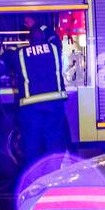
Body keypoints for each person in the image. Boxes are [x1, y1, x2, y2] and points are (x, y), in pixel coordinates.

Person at [14, 21, 70, 165]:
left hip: (30, 107)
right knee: (54, 142)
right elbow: (54, 37)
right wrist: (38, 25)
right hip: (53, 105)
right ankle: (52, 176)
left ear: (29, 40)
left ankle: (34, 178)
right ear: (44, 38)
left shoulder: (20, 53)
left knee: (32, 144)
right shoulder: (54, 48)